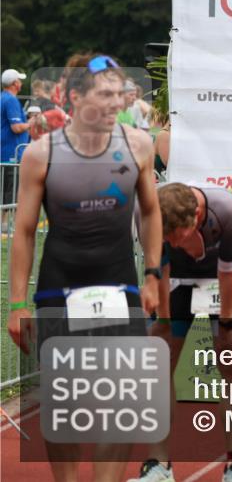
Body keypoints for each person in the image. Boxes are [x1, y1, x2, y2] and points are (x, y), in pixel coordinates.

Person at [6, 53, 163, 482]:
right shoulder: (41, 154)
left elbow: (151, 212)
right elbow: (23, 231)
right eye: (105, 94)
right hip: (60, 286)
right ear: (75, 97)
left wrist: (153, 275)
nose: (117, 102)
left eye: (120, 93)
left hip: (119, 284)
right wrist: (17, 303)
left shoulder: (138, 145)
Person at [129, 182, 232, 482]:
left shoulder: (227, 212)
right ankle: (159, 465)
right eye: (167, 237)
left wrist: (227, 325)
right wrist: (164, 321)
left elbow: (228, 273)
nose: (173, 242)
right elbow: (158, 267)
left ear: (196, 217)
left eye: (178, 236)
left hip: (222, 278)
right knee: (160, 364)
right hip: (176, 278)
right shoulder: (145, 212)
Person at [1, 68, 30, 230]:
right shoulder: (10, 100)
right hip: (11, 153)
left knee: (6, 189)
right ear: (14, 84)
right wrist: (32, 123)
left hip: (5, 151)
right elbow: (17, 127)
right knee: (11, 190)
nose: (21, 83)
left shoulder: (3, 98)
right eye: (19, 80)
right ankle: (6, 224)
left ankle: (5, 223)